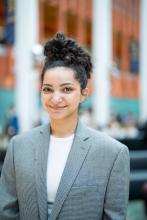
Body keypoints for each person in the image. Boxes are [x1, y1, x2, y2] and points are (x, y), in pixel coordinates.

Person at [0, 33, 130, 220]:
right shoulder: (18, 146)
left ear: (84, 93)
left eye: (67, 89)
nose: (55, 98)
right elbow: (6, 212)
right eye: (48, 89)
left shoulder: (113, 153)